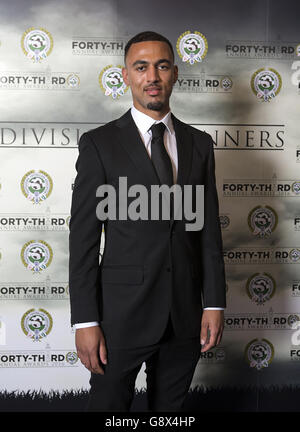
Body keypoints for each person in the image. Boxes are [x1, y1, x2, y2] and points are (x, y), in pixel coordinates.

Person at [68, 31, 226, 412]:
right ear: (126, 76)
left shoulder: (199, 144)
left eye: (162, 66)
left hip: (184, 314)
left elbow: (207, 233)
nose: (152, 76)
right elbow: (84, 240)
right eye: (141, 67)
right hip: (119, 316)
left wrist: (215, 304)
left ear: (174, 75)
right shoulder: (99, 144)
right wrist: (85, 321)